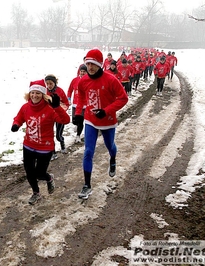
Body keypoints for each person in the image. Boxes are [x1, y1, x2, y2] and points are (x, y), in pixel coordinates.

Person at [73, 48, 128, 199]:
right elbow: (81, 99)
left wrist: (107, 110)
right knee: (88, 152)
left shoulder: (110, 79)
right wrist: (78, 114)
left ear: (100, 64)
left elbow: (123, 98)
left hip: (107, 121)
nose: (90, 67)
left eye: (93, 64)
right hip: (90, 120)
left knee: (110, 146)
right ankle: (87, 185)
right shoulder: (83, 81)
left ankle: (113, 159)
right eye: (88, 64)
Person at [11, 81, 70, 204]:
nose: (34, 95)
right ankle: (36, 193)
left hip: (45, 147)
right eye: (32, 93)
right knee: (29, 171)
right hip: (28, 145)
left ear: (43, 94)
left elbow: (65, 120)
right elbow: (19, 117)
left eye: (38, 93)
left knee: (39, 173)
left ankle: (48, 178)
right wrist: (16, 124)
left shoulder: (50, 109)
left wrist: (57, 107)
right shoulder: (25, 107)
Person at [67, 64, 87, 143]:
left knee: (80, 120)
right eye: (81, 71)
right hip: (75, 104)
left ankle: (78, 136)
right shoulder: (75, 80)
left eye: (84, 72)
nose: (82, 73)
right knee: (74, 121)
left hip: (84, 105)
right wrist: (68, 98)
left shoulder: (88, 80)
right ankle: (77, 125)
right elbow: (70, 90)